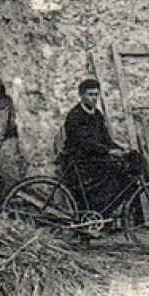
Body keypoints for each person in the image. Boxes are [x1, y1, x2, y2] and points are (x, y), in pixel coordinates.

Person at [60, 79, 138, 209]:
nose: (94, 98)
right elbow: (84, 143)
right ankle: (100, 209)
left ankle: (107, 211)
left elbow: (105, 138)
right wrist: (108, 151)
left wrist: (120, 149)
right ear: (81, 95)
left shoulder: (97, 115)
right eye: (90, 95)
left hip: (93, 157)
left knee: (128, 167)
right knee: (113, 170)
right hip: (78, 161)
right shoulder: (75, 116)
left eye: (96, 94)